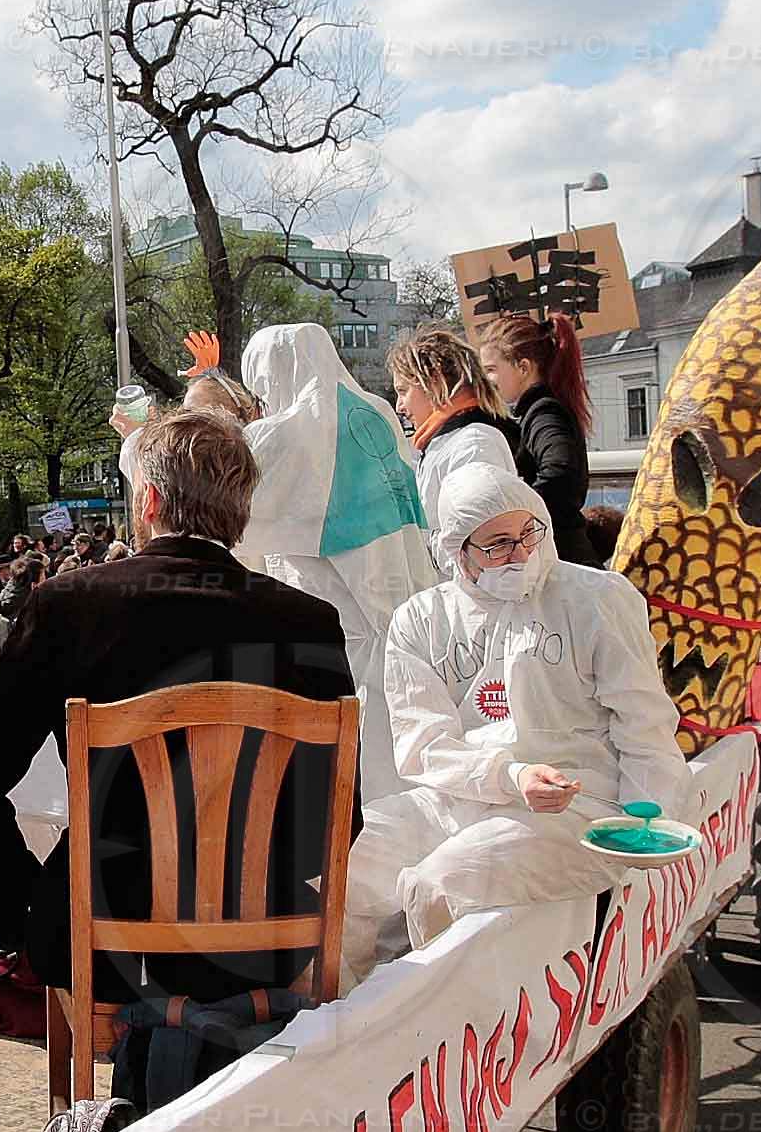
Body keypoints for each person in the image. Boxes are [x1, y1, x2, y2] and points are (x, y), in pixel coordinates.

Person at [0, 410, 355, 1008]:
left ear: (149, 500)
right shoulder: (307, 620)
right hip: (265, 936)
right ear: (240, 512)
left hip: (101, 934)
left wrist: (21, 909)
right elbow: (342, 812)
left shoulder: (71, 607)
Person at [346, 461, 697, 961]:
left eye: (528, 532)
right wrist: (511, 777)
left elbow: (644, 723)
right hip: (457, 799)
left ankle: (449, 1028)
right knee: (339, 867)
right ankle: (338, 1013)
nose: (521, 553)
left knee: (440, 884)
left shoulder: (593, 599)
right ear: (458, 553)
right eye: (497, 545)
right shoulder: (421, 620)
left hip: (582, 803)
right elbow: (424, 748)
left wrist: (646, 822)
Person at [238, 322, 440, 801]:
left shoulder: (276, 438)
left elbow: (237, 534)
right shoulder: (379, 413)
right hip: (410, 617)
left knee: (347, 786)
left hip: (331, 631)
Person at [471, 310, 602, 568]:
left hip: (562, 558)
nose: (486, 380)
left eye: (491, 370)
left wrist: (515, 520)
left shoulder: (544, 413)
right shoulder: (542, 409)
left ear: (523, 367)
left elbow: (561, 473)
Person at [386, 327, 531, 503]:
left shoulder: (473, 444)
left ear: (435, 382)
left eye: (403, 391)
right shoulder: (450, 442)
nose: (399, 407)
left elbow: (479, 524)